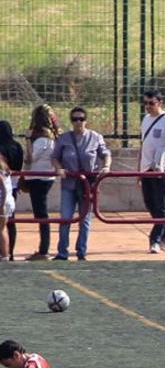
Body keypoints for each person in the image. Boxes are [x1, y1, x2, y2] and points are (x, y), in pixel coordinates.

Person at [51, 106, 110, 261]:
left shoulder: (95, 137)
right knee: (65, 218)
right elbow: (55, 156)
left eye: (81, 119)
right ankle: (62, 252)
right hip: (69, 184)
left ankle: (81, 251)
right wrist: (59, 168)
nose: (78, 122)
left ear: (86, 121)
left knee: (85, 220)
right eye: (75, 119)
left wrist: (106, 167)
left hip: (86, 185)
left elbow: (105, 154)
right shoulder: (64, 138)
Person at [138, 89, 165, 254]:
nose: (148, 107)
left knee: (160, 204)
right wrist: (138, 170)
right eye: (145, 103)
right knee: (150, 204)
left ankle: (155, 239)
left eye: (151, 103)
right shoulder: (145, 119)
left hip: (160, 169)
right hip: (146, 167)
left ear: (160, 103)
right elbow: (143, 145)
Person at [23, 104, 58, 260]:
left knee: (41, 214)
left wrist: (28, 140)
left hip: (40, 178)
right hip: (42, 177)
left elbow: (31, 158)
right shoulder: (50, 137)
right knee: (40, 213)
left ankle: (44, 250)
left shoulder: (42, 138)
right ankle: (43, 248)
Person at [0, 120, 24, 260]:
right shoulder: (17, 146)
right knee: (10, 222)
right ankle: (11, 253)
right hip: (13, 186)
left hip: (4, 191)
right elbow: (19, 165)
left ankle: (4, 254)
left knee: (2, 225)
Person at [0, 151, 12, 261]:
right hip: (7, 202)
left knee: (1, 229)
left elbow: (3, 188)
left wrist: (2, 204)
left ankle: (4, 255)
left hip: (2, 203)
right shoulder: (5, 170)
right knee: (2, 229)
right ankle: (5, 255)